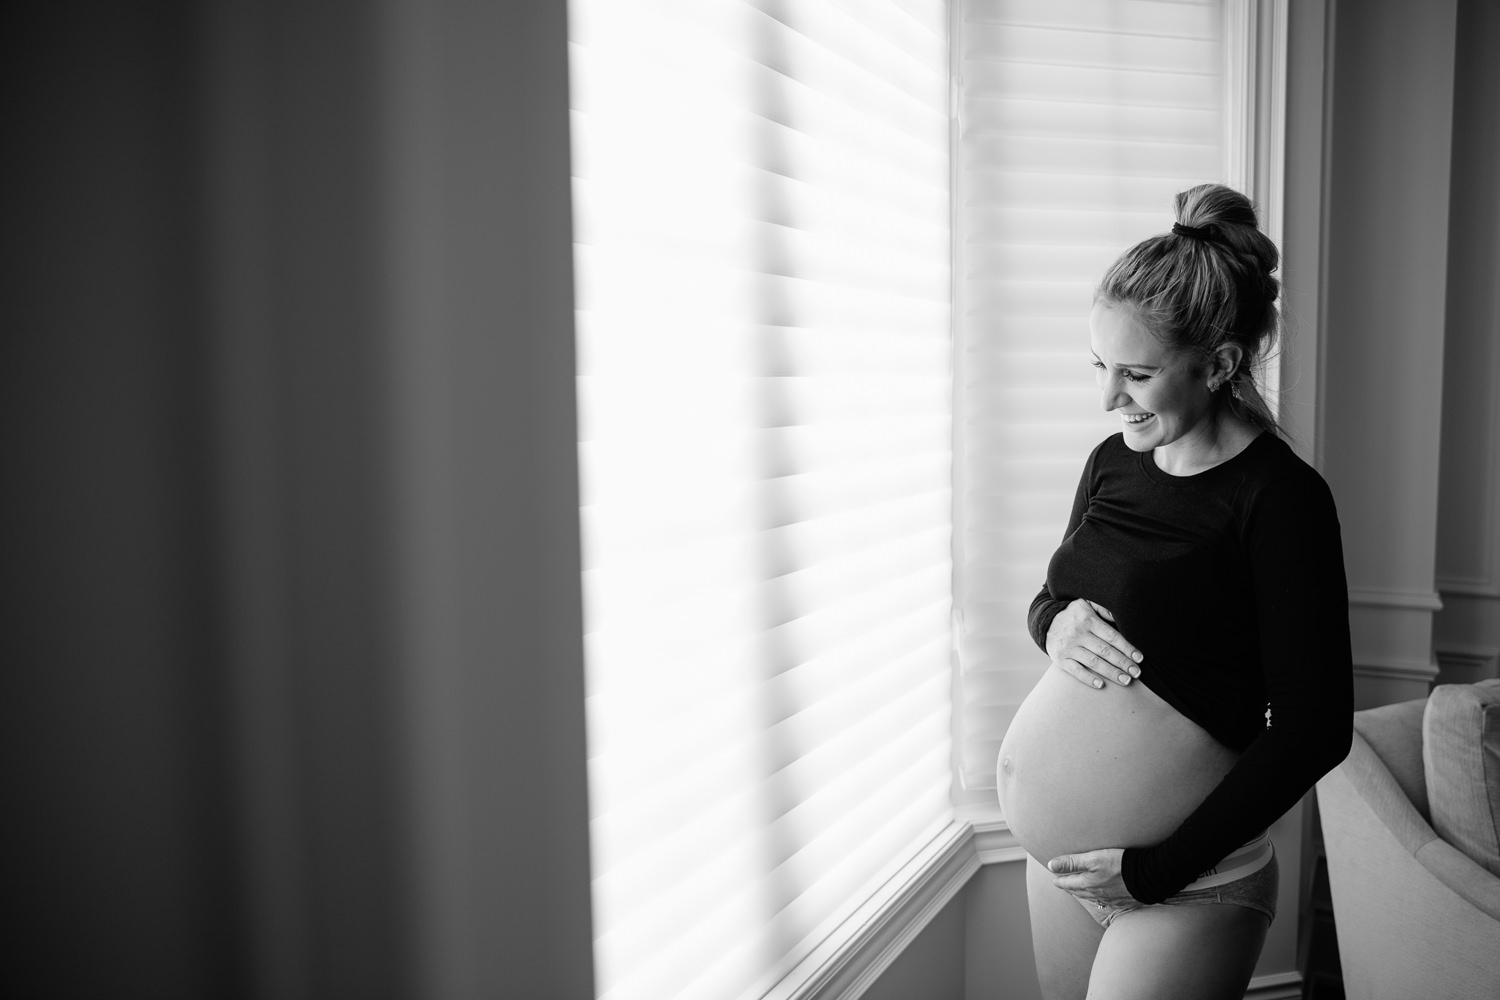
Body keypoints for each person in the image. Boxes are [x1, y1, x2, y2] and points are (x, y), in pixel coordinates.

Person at [994, 183, 1354, 1000]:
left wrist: (1156, 872)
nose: (1108, 398)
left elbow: (1315, 729)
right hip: (1064, 871)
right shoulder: (1112, 461)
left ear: (1220, 365)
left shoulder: (1281, 500)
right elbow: (1056, 595)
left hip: (1184, 887)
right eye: (1099, 366)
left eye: (1138, 374)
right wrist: (1050, 625)